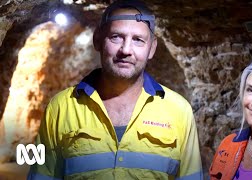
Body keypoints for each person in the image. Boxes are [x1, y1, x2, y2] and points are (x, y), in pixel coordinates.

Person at [27, 0, 203, 179]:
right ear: (98, 40)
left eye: (138, 40)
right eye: (116, 37)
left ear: (152, 48)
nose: (126, 50)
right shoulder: (61, 108)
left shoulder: (179, 111)